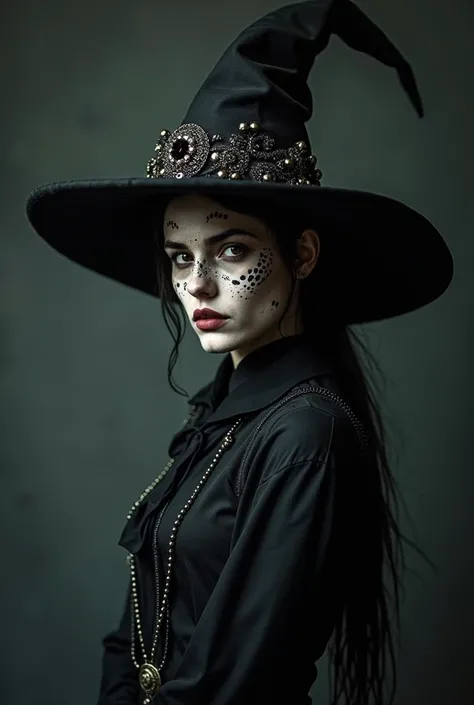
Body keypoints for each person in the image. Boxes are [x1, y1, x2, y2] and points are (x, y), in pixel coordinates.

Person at [25, 1, 453, 704]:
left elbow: (231, 683)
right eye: (178, 255)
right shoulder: (221, 415)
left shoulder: (304, 434)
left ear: (303, 254)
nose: (195, 283)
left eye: (230, 249)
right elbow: (136, 627)